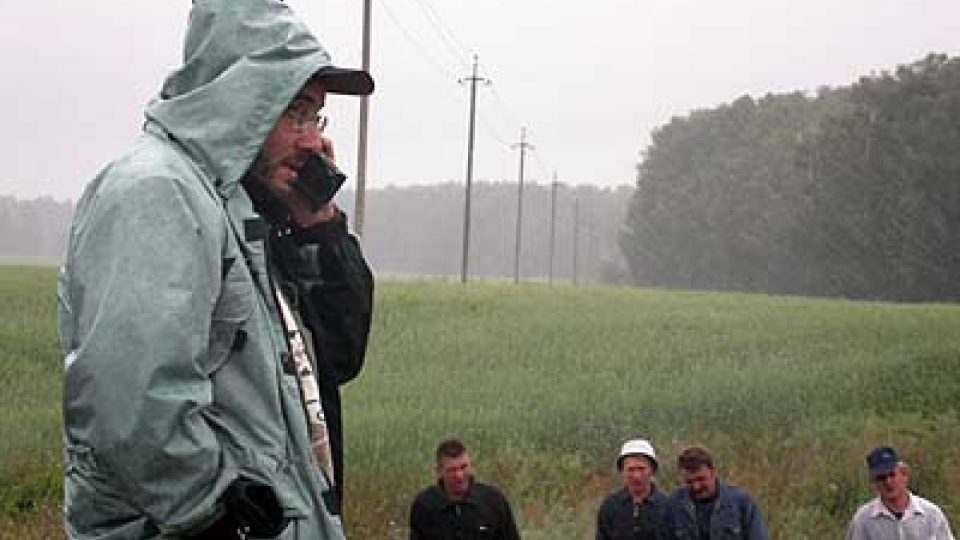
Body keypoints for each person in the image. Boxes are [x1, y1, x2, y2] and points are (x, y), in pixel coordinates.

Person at [57, 0, 374, 538]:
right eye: (294, 112)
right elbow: (133, 406)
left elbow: (332, 360)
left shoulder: (244, 211)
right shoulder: (158, 194)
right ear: (240, 99)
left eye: (315, 117)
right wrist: (216, 513)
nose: (310, 139)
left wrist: (319, 224)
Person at [408, 438, 522, 540]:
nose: (459, 475)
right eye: (452, 470)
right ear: (439, 471)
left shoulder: (493, 501)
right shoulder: (425, 505)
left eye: (464, 467)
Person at [845, 446, 955, 540]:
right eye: (881, 478)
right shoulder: (863, 520)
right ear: (874, 482)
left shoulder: (931, 514)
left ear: (904, 475)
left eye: (892, 475)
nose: (888, 482)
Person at [664, 446, 769, 540]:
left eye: (701, 479)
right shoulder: (673, 505)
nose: (696, 487)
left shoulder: (741, 502)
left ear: (713, 472)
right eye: (689, 482)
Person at [596, 438, 669, 540]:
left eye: (641, 469)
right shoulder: (611, 506)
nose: (636, 476)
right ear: (622, 471)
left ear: (652, 470)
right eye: (631, 470)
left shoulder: (666, 507)